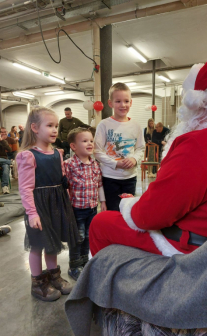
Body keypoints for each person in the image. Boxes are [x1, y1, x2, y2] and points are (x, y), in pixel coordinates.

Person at [89, 54, 207, 258]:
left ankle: (109, 287)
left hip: (195, 246)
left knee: (101, 222)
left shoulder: (198, 143)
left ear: (197, 102)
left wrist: (130, 205)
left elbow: (149, 217)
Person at [16, 106, 80, 302]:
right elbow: (26, 188)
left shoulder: (57, 153)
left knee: (52, 243)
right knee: (38, 244)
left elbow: (60, 177)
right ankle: (38, 282)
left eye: (56, 126)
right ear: (34, 128)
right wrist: (32, 213)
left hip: (56, 203)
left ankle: (54, 275)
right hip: (39, 206)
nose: (54, 130)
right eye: (49, 125)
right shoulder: (27, 155)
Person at [94, 82, 145, 211]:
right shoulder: (104, 124)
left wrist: (134, 159)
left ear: (131, 102)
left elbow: (140, 148)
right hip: (110, 177)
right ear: (110, 103)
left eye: (126, 101)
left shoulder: (136, 125)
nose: (123, 105)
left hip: (130, 177)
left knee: (128, 210)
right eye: (118, 101)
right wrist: (115, 163)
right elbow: (97, 151)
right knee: (113, 211)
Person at [64, 128, 107, 280]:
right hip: (76, 209)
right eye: (84, 141)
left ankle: (84, 262)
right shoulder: (69, 165)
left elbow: (99, 184)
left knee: (88, 236)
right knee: (77, 237)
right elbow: (65, 188)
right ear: (73, 146)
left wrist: (103, 202)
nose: (89, 143)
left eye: (91, 140)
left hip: (92, 208)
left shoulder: (95, 164)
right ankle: (74, 266)